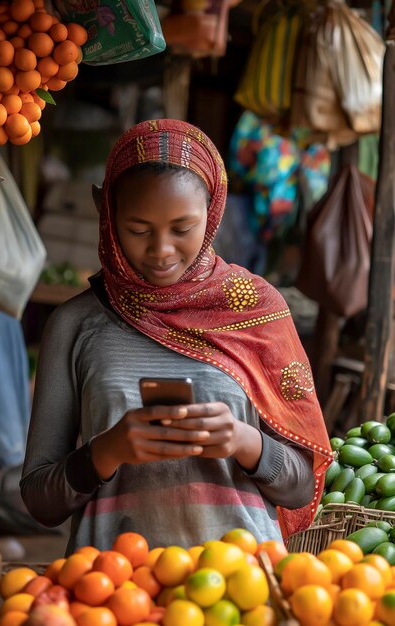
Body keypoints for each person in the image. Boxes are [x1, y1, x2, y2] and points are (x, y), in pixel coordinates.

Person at [20, 119, 332, 554]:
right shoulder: (75, 325)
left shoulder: (256, 310)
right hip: (112, 590)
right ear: (108, 216)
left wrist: (245, 442)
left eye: (182, 228)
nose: (162, 250)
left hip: (242, 589)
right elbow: (40, 499)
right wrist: (107, 451)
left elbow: (303, 488)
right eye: (139, 229)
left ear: (213, 212)